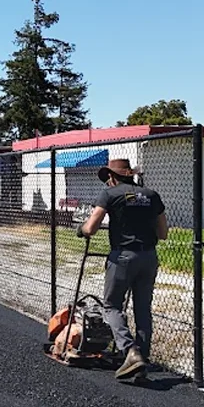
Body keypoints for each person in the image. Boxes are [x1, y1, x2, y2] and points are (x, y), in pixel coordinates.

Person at [77, 158, 168, 380]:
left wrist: (82, 229)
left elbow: (91, 227)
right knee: (143, 309)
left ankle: (130, 350)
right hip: (148, 256)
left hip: (123, 257)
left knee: (111, 305)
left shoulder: (109, 195)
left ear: (111, 176)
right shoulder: (151, 195)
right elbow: (163, 232)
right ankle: (142, 362)